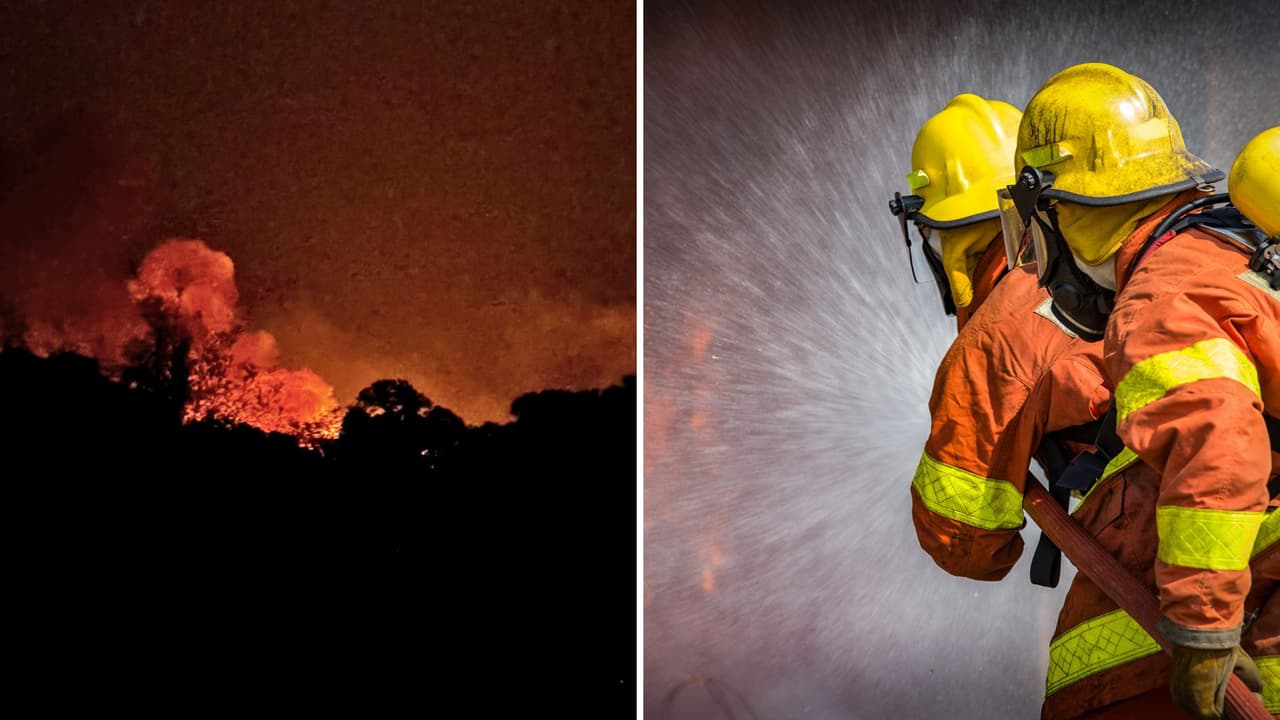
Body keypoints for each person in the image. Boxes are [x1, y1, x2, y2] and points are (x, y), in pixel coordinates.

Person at [1002, 63, 1277, 719]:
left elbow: (1218, 442)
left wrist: (1203, 632)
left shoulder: (1156, 300)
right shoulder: (1226, 240)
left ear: (1056, 208)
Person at [893, 95, 1108, 594]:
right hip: (1233, 503)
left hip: (1179, 531)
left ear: (944, 236)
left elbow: (966, 545)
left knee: (1092, 662)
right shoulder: (1107, 261)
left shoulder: (996, 341)